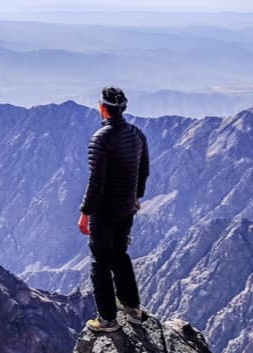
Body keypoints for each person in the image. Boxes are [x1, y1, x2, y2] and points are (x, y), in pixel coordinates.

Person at [77, 86, 150, 333]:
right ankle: (133, 309)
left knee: (100, 262)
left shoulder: (101, 139)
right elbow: (143, 171)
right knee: (120, 256)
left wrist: (85, 213)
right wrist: (136, 197)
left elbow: (96, 181)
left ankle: (107, 319)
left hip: (104, 211)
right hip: (127, 209)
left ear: (102, 108)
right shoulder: (137, 135)